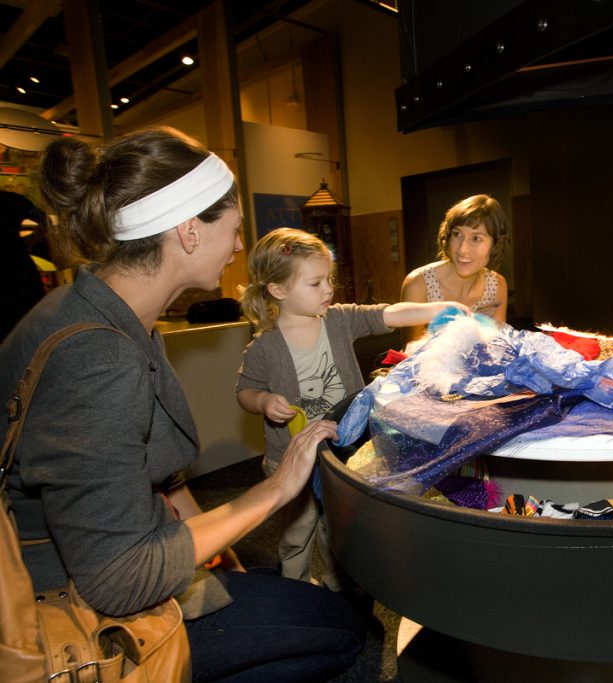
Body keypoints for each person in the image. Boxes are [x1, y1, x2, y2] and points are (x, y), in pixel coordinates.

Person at [0, 126, 364, 682]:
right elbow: (119, 578)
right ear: (190, 231)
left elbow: (160, 478)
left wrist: (221, 555)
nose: (240, 247)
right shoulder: (98, 355)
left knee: (275, 591)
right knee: (345, 631)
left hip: (127, 547)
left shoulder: (107, 312)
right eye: (235, 230)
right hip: (70, 607)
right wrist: (276, 488)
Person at [236, 227, 469, 591]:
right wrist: (263, 401)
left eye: (328, 279)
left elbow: (388, 314)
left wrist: (436, 308)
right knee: (298, 533)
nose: (328, 289)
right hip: (291, 459)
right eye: (315, 283)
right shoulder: (264, 347)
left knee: (341, 529)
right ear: (278, 290)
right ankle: (295, 591)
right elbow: (245, 391)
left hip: (342, 452)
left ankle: (339, 590)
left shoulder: (339, 318)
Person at [400, 194, 509, 342]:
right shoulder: (418, 284)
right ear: (447, 236)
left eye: (476, 238)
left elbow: (498, 348)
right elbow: (410, 353)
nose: (463, 249)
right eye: (457, 234)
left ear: (495, 245)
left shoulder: (497, 285)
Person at [0, 190, 47, 342]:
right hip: (19, 276)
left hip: (18, 277)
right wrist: (30, 244)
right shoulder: (10, 200)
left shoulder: (10, 200)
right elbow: (45, 223)